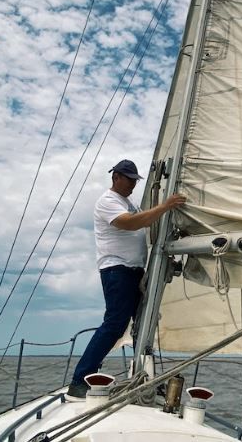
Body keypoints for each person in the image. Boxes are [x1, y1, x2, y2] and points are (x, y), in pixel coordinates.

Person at [66, 159, 186, 399]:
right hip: (116, 269)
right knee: (114, 324)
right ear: (116, 177)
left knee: (143, 321)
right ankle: (79, 381)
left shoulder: (128, 202)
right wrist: (165, 206)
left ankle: (143, 377)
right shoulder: (107, 202)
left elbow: (144, 223)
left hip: (133, 271)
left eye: (135, 180)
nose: (133, 184)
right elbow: (129, 224)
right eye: (129, 179)